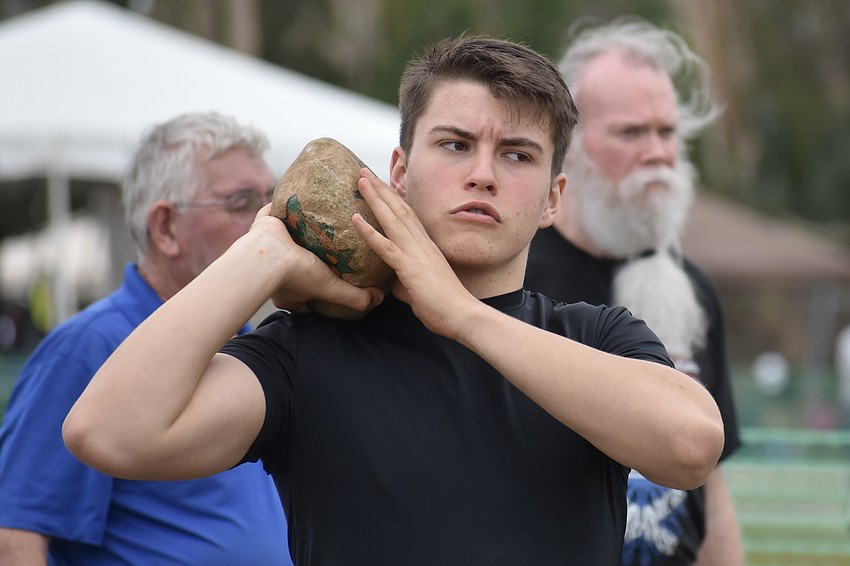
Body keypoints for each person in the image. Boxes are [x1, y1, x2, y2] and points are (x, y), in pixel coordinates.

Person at [63, 37, 724, 565]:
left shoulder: (596, 336)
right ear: (399, 173)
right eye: (456, 145)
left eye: (518, 155)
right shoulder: (306, 351)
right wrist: (263, 251)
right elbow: (107, 433)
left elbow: (692, 445)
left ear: (553, 198)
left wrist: (461, 316)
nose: (483, 174)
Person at [0, 112, 293, 565]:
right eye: (241, 203)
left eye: (270, 200)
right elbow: (16, 539)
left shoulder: (252, 341)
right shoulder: (89, 347)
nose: (269, 223)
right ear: (166, 228)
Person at [525, 18, 743, 566]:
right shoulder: (514, 271)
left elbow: (710, 489)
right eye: (630, 133)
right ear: (570, 146)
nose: (657, 152)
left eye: (667, 131)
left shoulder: (691, 286)